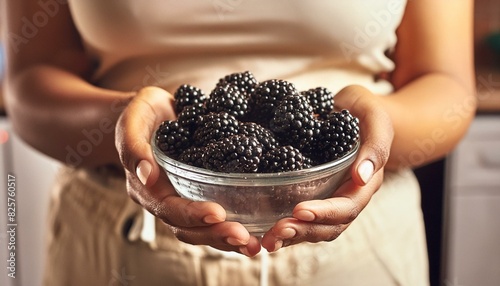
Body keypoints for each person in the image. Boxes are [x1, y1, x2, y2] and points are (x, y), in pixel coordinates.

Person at [2, 0, 475, 285]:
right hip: (115, 241)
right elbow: (29, 82)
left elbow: (446, 84)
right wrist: (127, 122)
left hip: (358, 246)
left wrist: (371, 126)